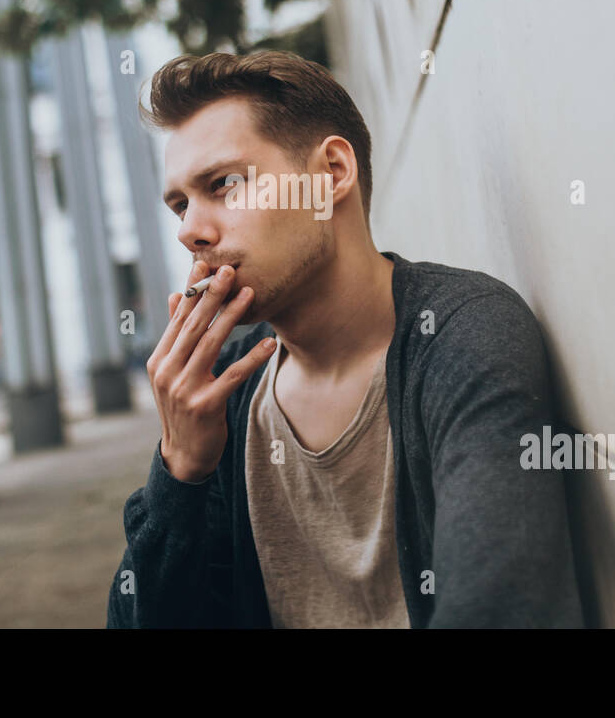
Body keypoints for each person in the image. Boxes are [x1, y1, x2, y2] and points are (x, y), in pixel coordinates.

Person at [106, 50, 583, 628]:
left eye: (224, 184)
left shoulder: (460, 334)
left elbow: (502, 607)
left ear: (330, 174)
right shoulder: (225, 389)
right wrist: (178, 470)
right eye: (180, 204)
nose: (190, 232)